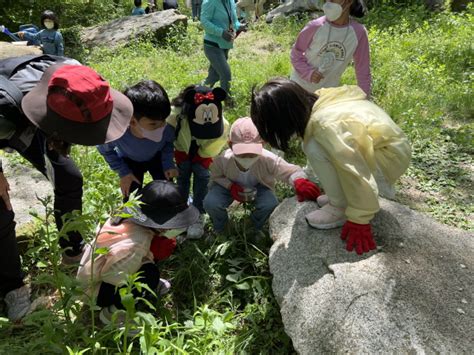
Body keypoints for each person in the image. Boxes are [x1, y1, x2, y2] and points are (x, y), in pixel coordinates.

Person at [0, 56, 133, 321]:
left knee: (68, 177)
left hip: (40, 111)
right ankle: (11, 287)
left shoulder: (76, 79)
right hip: (13, 116)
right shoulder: (5, 112)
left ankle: (72, 249)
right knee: (1, 211)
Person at [250, 78, 411, 255]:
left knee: (314, 147)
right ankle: (342, 197)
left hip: (387, 158)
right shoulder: (317, 103)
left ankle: (340, 207)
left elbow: (353, 170)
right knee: (313, 144)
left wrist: (359, 218)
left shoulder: (326, 125)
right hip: (387, 150)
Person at [77, 180, 199, 325]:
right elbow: (113, 278)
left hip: (102, 270)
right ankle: (114, 312)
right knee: (149, 276)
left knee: (150, 264)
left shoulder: (126, 216)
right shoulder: (136, 244)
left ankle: (139, 279)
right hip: (94, 291)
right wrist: (139, 274)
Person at [203, 117, 320, 234]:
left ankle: (254, 226)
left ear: (262, 144)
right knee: (211, 202)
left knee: (270, 203)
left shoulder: (267, 159)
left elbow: (290, 171)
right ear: (230, 145)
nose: (248, 157)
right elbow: (216, 176)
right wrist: (230, 186)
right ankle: (221, 227)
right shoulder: (223, 160)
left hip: (259, 187)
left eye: (252, 153)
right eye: (242, 153)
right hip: (229, 187)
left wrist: (299, 181)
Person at [97, 80, 178, 200]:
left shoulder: (166, 130)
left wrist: (168, 163)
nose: (161, 127)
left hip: (157, 158)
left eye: (164, 121)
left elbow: (168, 143)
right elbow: (106, 150)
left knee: (168, 192)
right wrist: (123, 172)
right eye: (153, 124)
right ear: (133, 121)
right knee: (130, 198)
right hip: (130, 162)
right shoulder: (118, 132)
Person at [167, 85, 229, 239]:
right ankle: (181, 210)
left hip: (204, 154)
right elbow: (168, 135)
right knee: (182, 178)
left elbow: (218, 139)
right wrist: (177, 152)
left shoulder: (222, 123)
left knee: (202, 179)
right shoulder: (176, 115)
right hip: (182, 151)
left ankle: (197, 213)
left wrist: (204, 155)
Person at [290, 0, 371, 96]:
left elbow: (363, 69)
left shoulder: (359, 33)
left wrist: (365, 98)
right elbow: (295, 54)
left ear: (349, 2)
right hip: (298, 89)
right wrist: (309, 73)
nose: (328, 3)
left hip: (327, 95)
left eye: (332, 0)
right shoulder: (315, 26)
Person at [200, 0, 242, 107]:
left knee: (213, 77)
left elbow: (233, 22)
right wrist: (221, 32)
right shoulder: (210, 2)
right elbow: (204, 22)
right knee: (225, 74)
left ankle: (198, 94)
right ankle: (228, 103)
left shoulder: (230, 1)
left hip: (225, 46)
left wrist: (240, 26)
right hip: (212, 46)